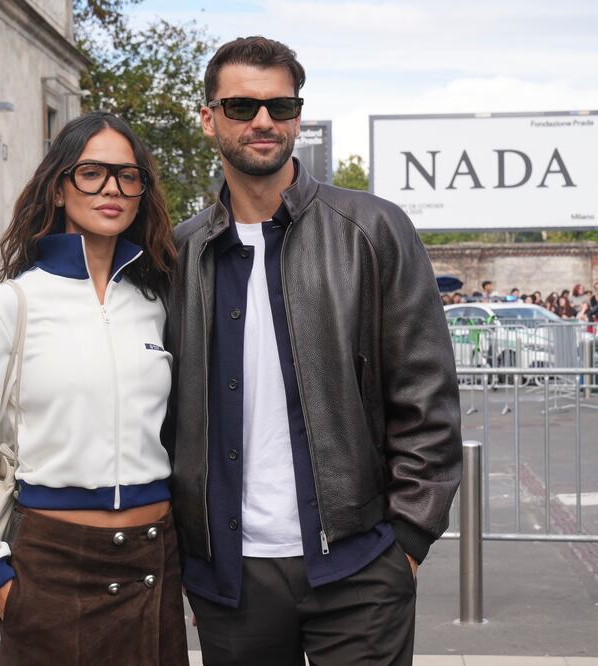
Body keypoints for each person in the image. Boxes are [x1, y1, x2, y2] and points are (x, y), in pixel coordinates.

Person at [165, 36, 462, 665]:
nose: (264, 121)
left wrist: (406, 538)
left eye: (281, 105)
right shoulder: (179, 253)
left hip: (359, 568)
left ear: (299, 115)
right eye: (242, 106)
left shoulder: (372, 230)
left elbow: (426, 394)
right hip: (231, 580)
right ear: (208, 117)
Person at [0, 112, 187, 666]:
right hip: (52, 571)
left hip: (152, 568)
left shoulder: (158, 301)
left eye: (127, 174)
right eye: (92, 172)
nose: (111, 187)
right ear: (60, 187)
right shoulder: (12, 305)